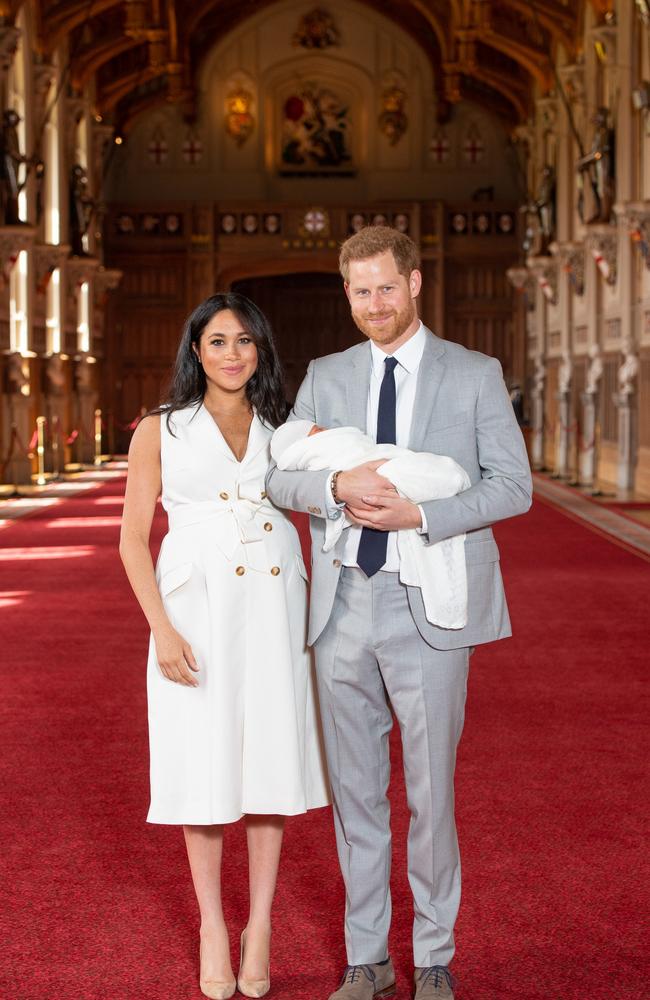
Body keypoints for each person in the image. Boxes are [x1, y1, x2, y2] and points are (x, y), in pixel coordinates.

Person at [266, 227, 532, 1000]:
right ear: (346, 295)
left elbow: (513, 486)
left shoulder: (474, 373)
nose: (374, 305)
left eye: (387, 287)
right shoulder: (326, 373)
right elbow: (284, 478)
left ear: (414, 284)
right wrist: (334, 487)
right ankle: (367, 957)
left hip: (432, 604)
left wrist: (421, 512)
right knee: (354, 795)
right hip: (342, 604)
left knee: (429, 792)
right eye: (360, 291)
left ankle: (436, 955)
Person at [119, 292, 330, 1000]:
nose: (232, 353)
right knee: (204, 764)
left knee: (269, 762)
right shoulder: (161, 428)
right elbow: (131, 537)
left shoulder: (288, 428)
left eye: (245, 341)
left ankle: (260, 923)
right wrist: (161, 629)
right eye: (217, 341)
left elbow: (325, 493)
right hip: (195, 610)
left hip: (275, 604)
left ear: (262, 351)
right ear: (196, 351)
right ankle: (214, 922)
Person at [270, 419, 471, 629]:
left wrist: (420, 516)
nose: (325, 431)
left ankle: (445, 476)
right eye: (317, 432)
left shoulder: (477, 385)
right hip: (342, 589)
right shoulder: (316, 392)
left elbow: (506, 483)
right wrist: (337, 485)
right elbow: (276, 481)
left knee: (430, 473)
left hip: (416, 576)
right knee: (424, 476)